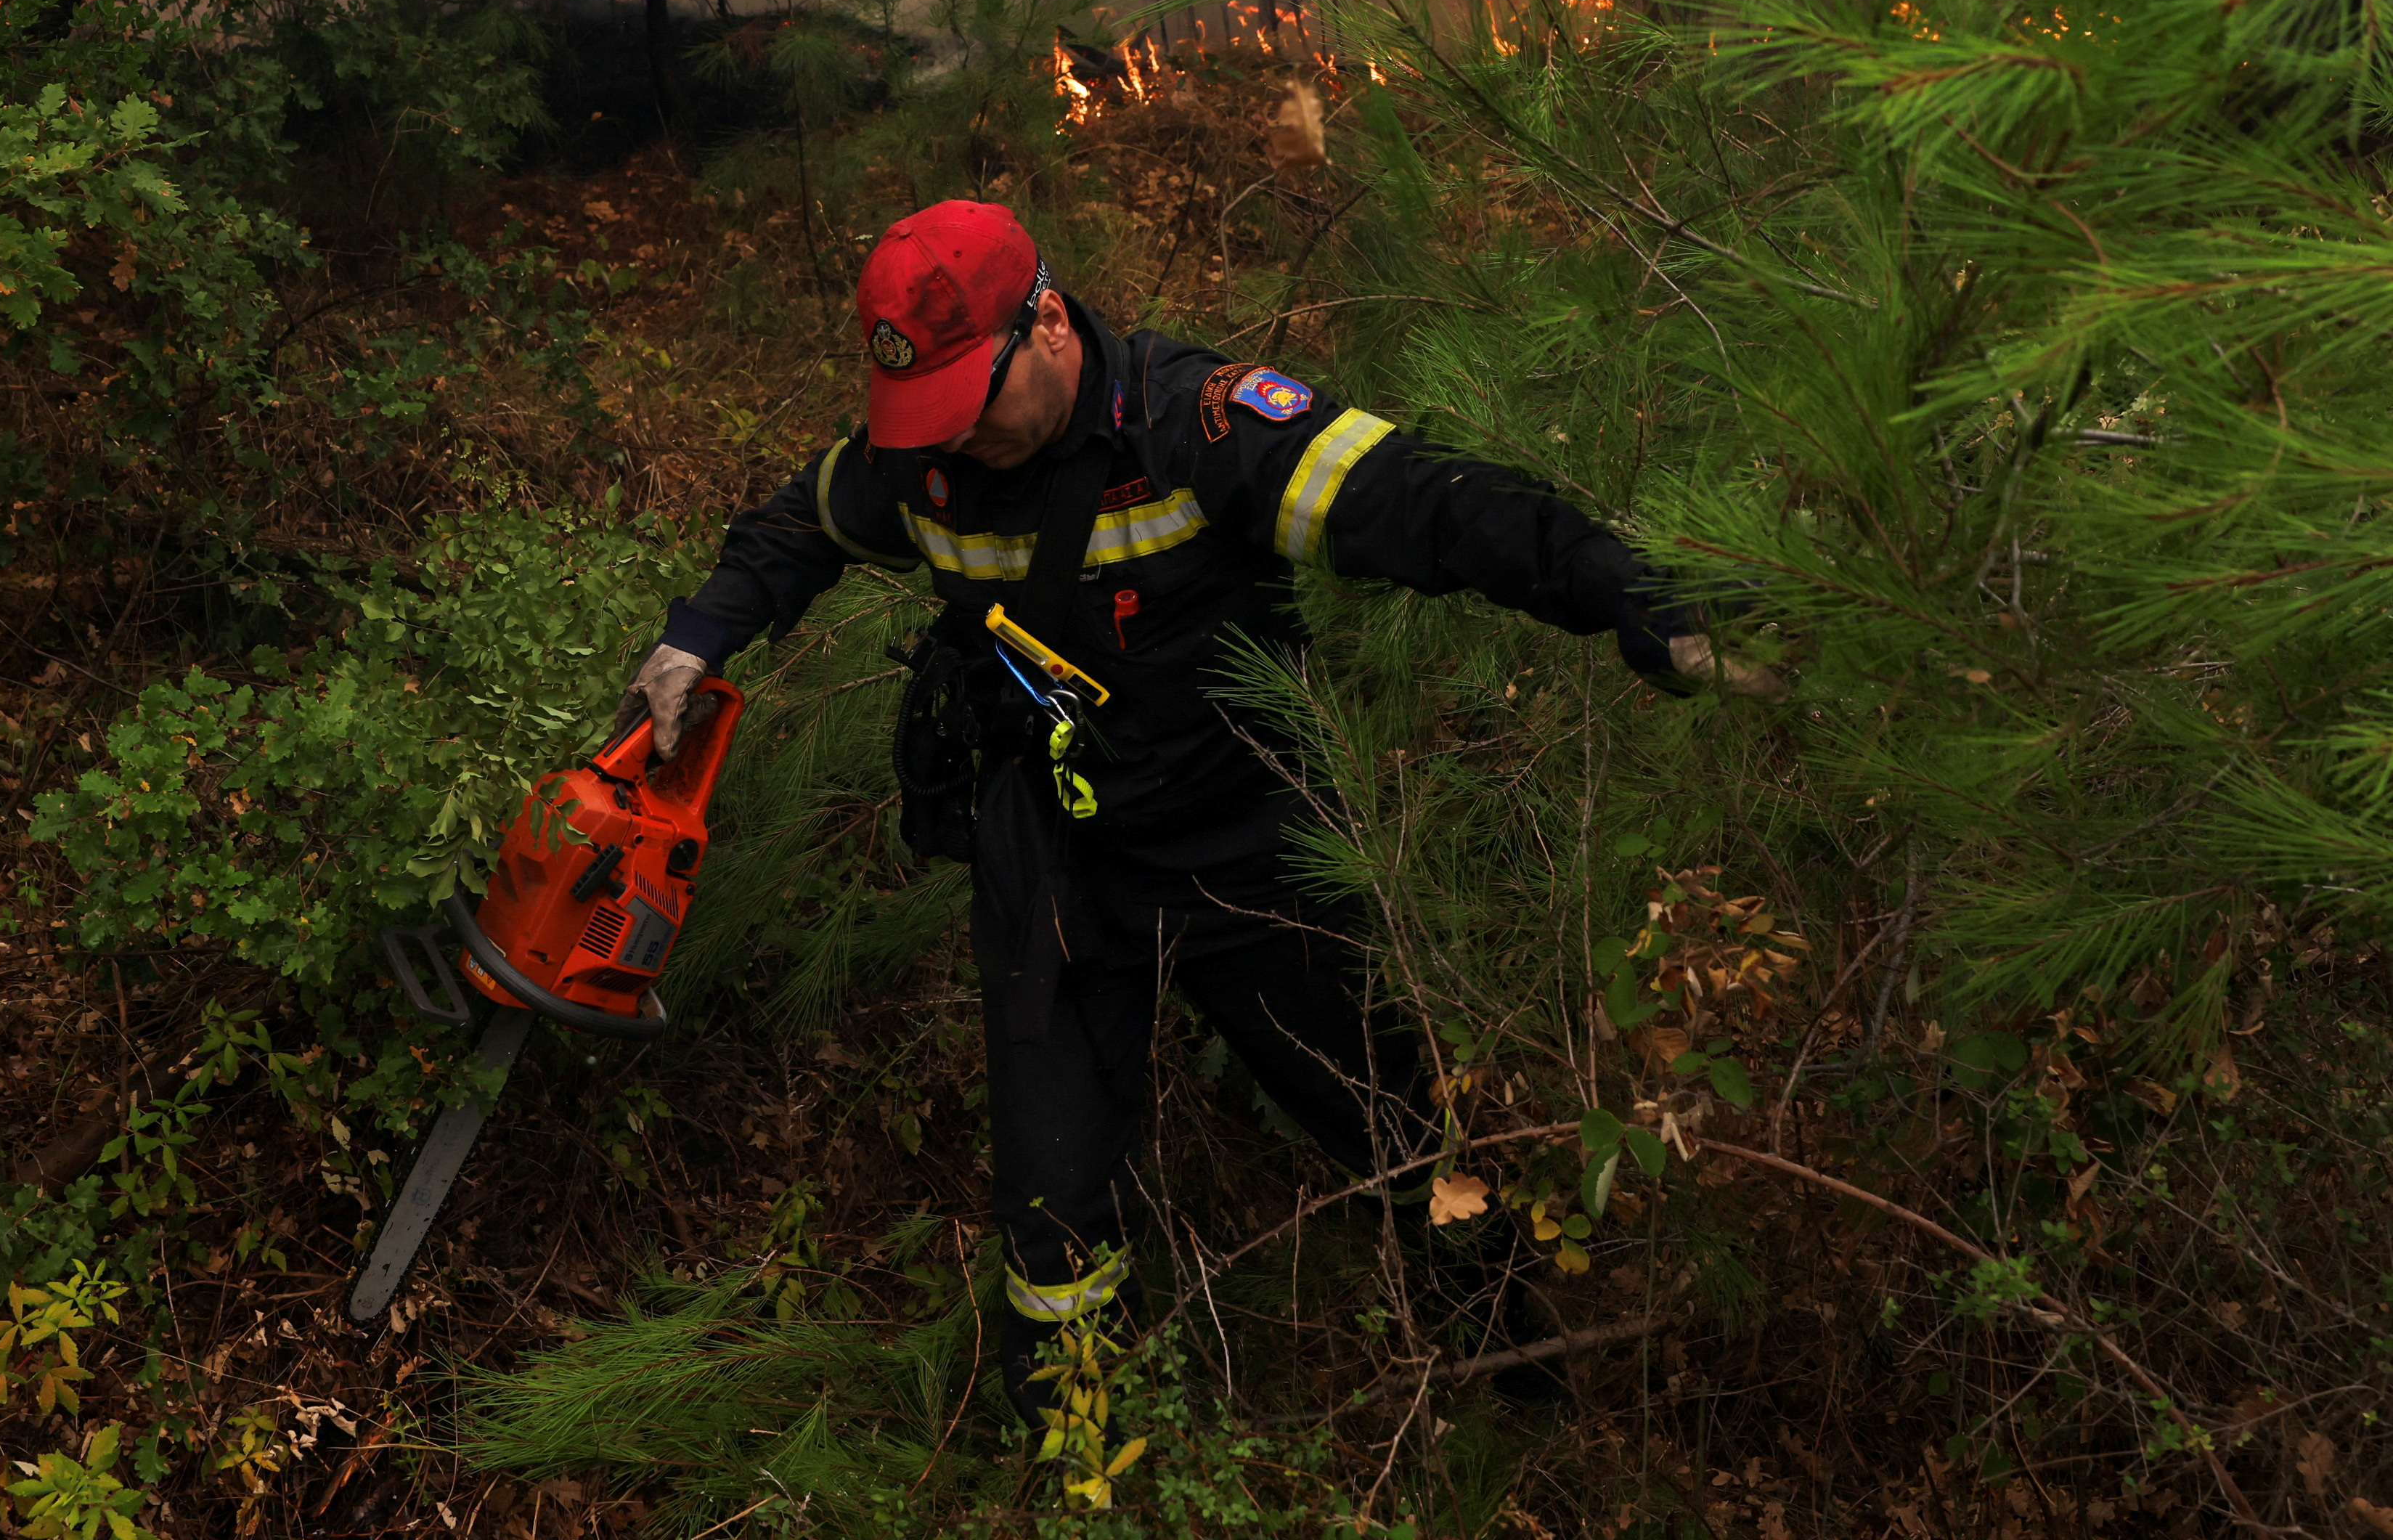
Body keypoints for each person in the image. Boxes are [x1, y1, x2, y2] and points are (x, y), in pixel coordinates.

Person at [626, 199, 1711, 1433]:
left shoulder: (1202, 425)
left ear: (1047, 321)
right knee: (1049, 1191)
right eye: (928, 414)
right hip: (1052, 854)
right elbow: (798, 523)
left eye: (971, 401)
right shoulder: (922, 451)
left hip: (1242, 844)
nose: (956, 438)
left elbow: (1425, 504)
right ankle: (1076, 1448)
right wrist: (698, 633)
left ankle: (1519, 1372)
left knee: (1390, 1123)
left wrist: (1631, 594)